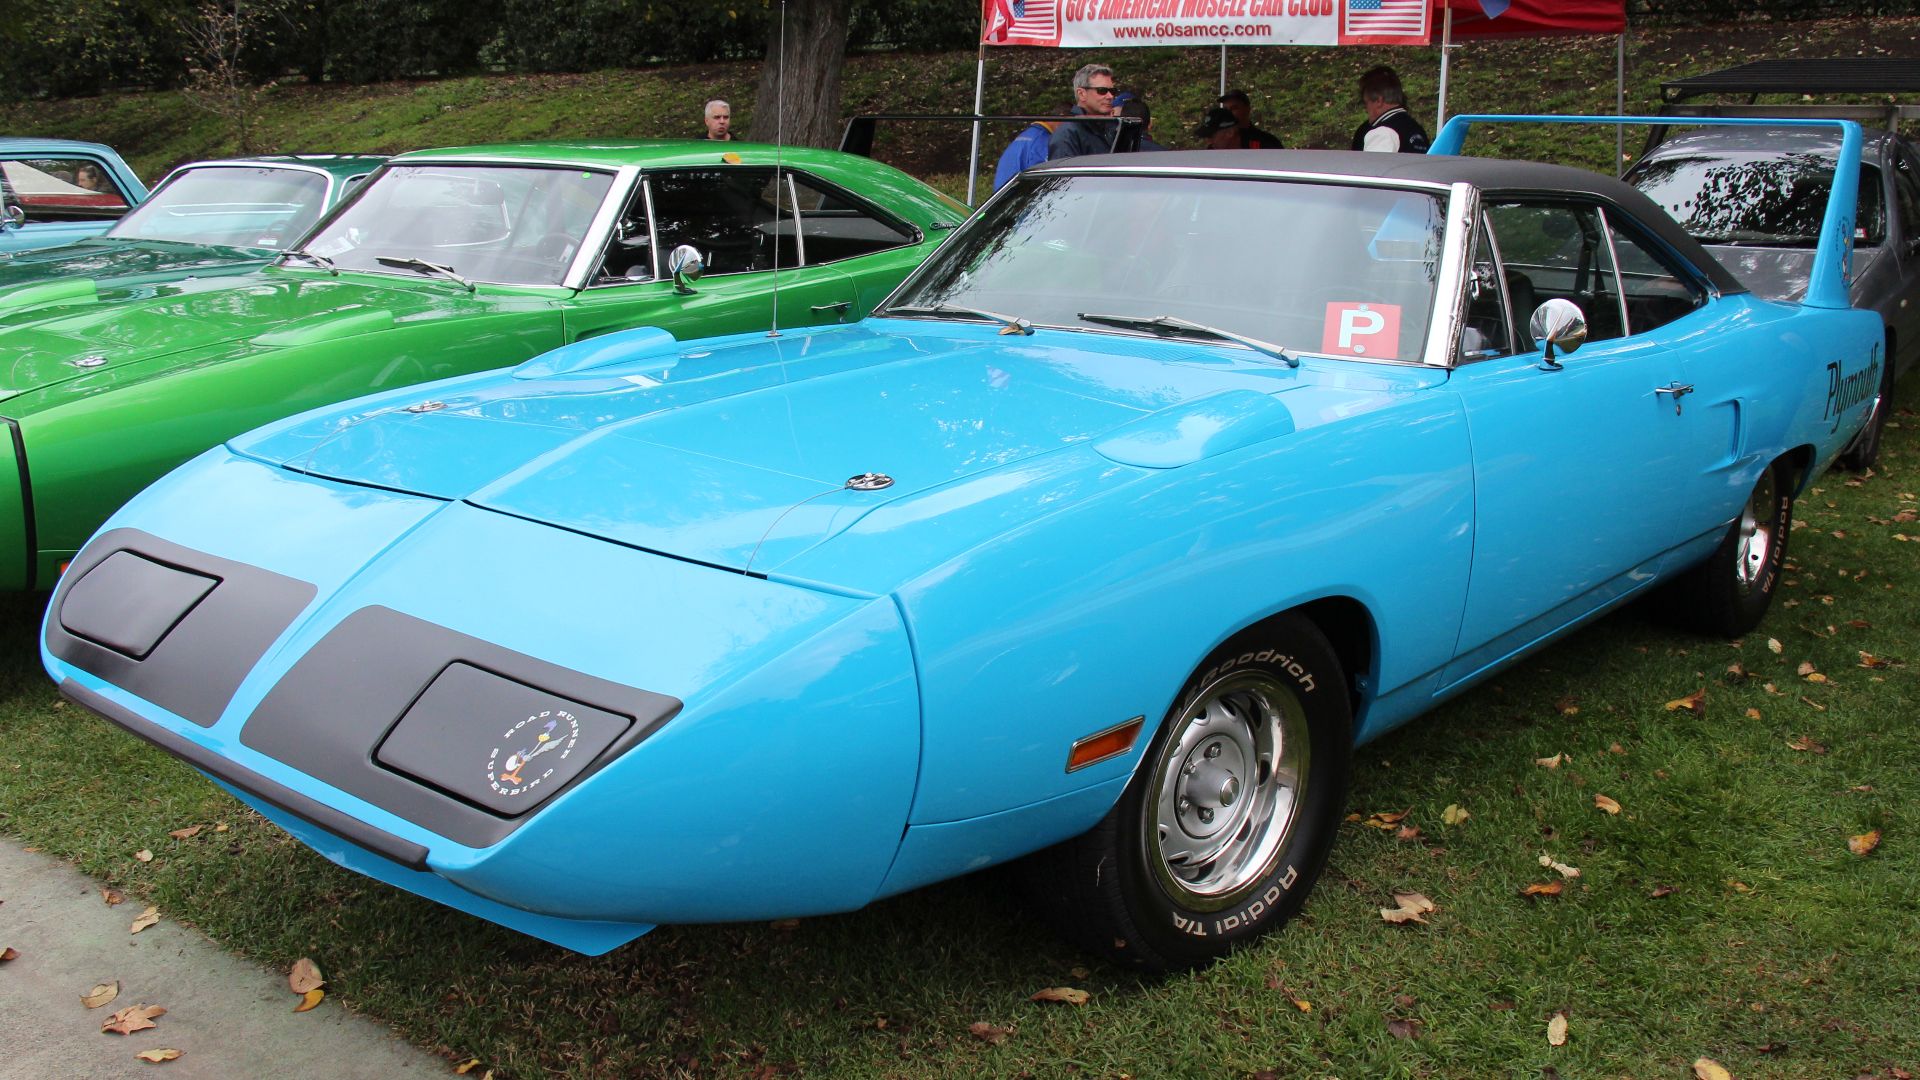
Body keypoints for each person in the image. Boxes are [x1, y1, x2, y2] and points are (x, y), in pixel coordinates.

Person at [1048, 63, 1119, 161]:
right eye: (1102, 91)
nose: (1110, 96)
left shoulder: (1112, 129)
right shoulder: (1067, 134)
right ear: (1081, 94)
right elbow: (1064, 171)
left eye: (1112, 91)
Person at [1351, 66, 1430, 154]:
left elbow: (1373, 163)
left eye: (1366, 103)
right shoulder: (1417, 130)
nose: (1366, 109)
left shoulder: (1382, 133)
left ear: (1378, 101)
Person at [993, 111, 1062, 191]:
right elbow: (1045, 178)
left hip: (1001, 195)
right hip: (1020, 195)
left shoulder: (1025, 136)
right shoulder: (1042, 140)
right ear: (1061, 117)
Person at [1218, 89, 1283, 149]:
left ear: (1247, 109)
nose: (1228, 113)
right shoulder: (1218, 142)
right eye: (1225, 109)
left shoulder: (1266, 141)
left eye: (1234, 108)